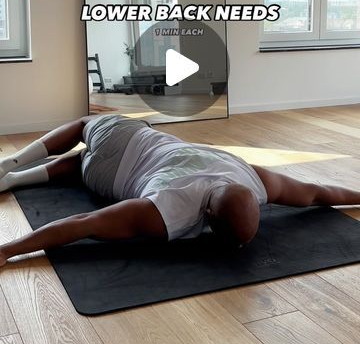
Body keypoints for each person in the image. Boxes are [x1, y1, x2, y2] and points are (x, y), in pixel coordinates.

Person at [0, 114, 359, 268]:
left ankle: (14, 163)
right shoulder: (167, 213)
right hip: (102, 175)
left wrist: (11, 248)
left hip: (129, 137)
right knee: (82, 164)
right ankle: (14, 177)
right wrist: (7, 250)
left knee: (84, 125)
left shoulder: (250, 177)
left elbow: (83, 224)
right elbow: (318, 193)